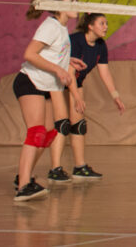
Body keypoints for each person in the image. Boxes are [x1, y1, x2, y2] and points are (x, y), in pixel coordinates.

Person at [13, 0, 85, 201]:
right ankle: (24, 186)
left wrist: (67, 61)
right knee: (36, 132)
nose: (76, 4)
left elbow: (52, 54)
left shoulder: (61, 29)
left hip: (44, 84)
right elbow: (29, 54)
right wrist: (59, 69)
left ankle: (23, 177)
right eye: (72, 0)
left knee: (49, 134)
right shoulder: (50, 26)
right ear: (59, 5)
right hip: (30, 82)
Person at [47, 13, 126, 182]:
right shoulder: (75, 41)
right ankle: (55, 169)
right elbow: (69, 71)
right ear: (90, 26)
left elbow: (104, 72)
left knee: (79, 125)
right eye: (102, 23)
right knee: (62, 124)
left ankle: (80, 167)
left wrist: (115, 96)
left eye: (106, 23)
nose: (106, 26)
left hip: (77, 82)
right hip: (59, 83)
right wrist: (76, 97)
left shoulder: (100, 45)